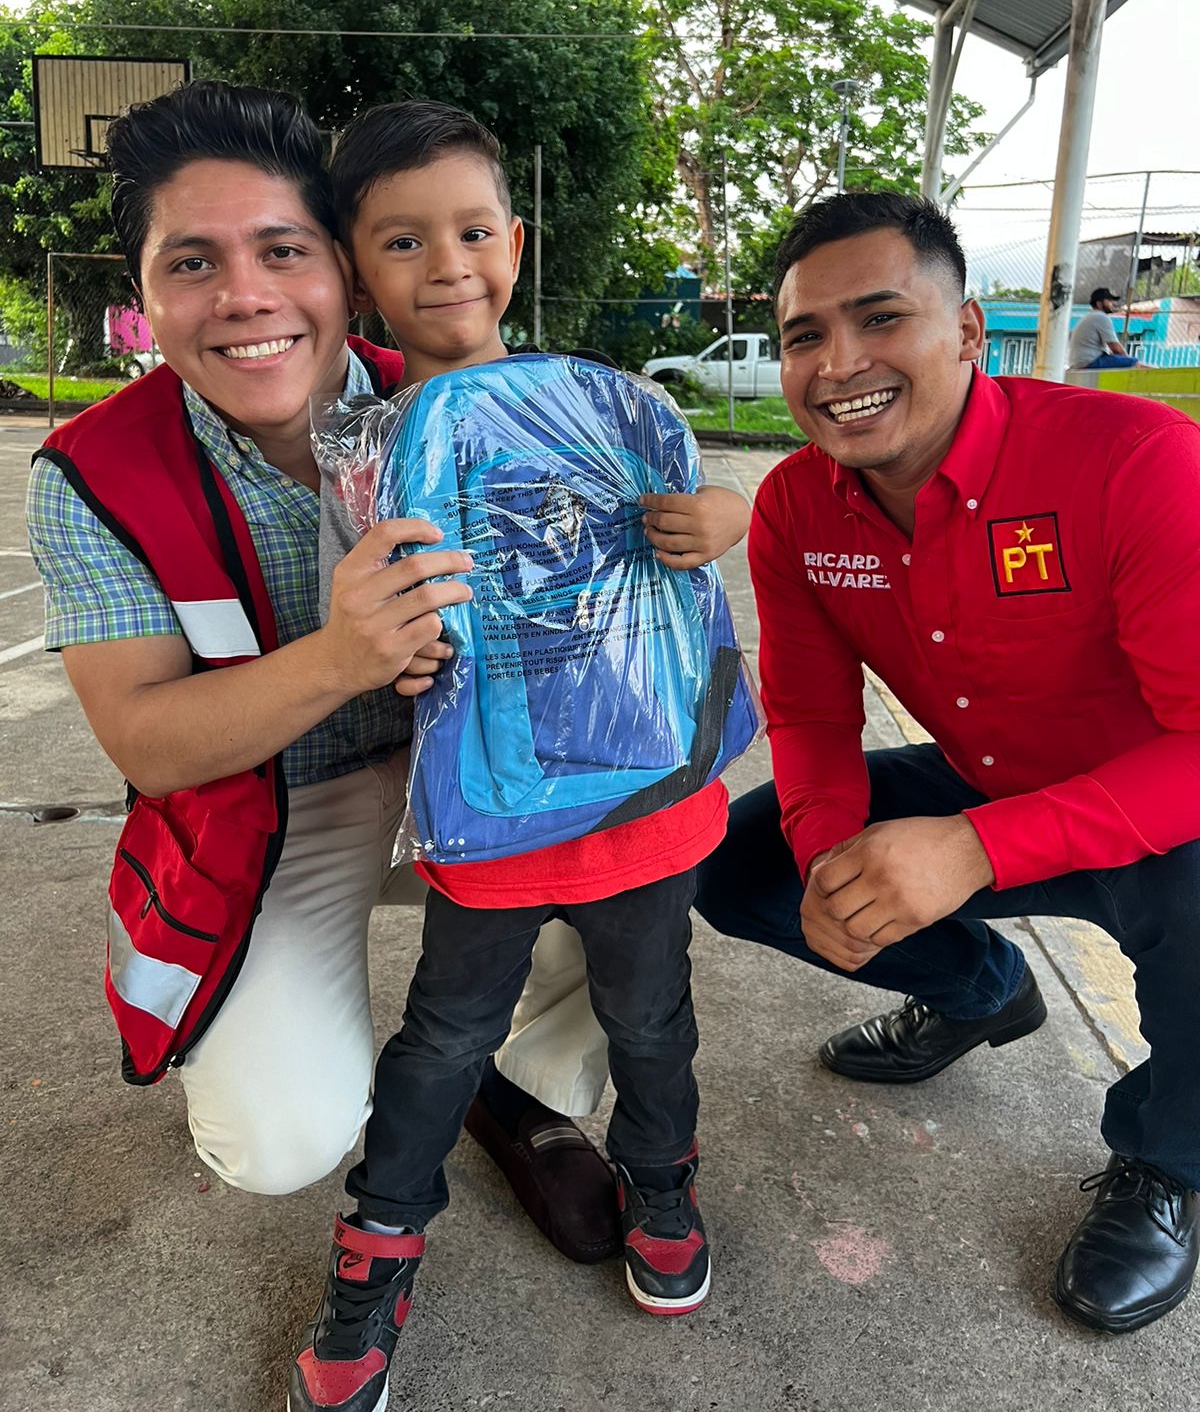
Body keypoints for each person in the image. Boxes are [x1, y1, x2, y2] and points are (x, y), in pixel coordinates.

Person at [22, 82, 683, 1252]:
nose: (246, 296)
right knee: (280, 1143)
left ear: (341, 269)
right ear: (143, 296)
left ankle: (509, 1083)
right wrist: (337, 659)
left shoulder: (461, 399)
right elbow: (147, 741)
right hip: (285, 801)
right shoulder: (94, 472)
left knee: (642, 855)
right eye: (192, 263)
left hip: (476, 766)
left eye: (283, 250)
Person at [284, 100, 749, 1412]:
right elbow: (366, 631)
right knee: (445, 1034)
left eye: (474, 232)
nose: (448, 264)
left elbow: (689, 535)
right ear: (354, 270)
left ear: (515, 242)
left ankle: (661, 1184)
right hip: (490, 811)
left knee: (651, 1018)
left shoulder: (607, 402)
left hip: (645, 791)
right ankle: (377, 1248)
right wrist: (390, 655)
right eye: (402, 241)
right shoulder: (367, 449)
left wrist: (721, 513)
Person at [696, 190, 1200, 1337]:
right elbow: (810, 717)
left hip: (1157, 803)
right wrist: (834, 856)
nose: (839, 364)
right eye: (805, 335)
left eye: (880, 319)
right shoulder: (796, 510)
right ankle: (979, 991)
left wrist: (975, 847)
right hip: (984, 775)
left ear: (969, 331)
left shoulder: (1138, 462)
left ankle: (1167, 1162)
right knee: (739, 868)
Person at [1068, 286, 1140, 369]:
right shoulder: (1101, 317)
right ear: (1099, 303)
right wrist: (1128, 361)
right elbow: (1116, 348)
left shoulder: (1089, 316)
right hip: (1091, 361)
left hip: (1080, 362)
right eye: (1109, 301)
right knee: (1134, 363)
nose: (1113, 304)